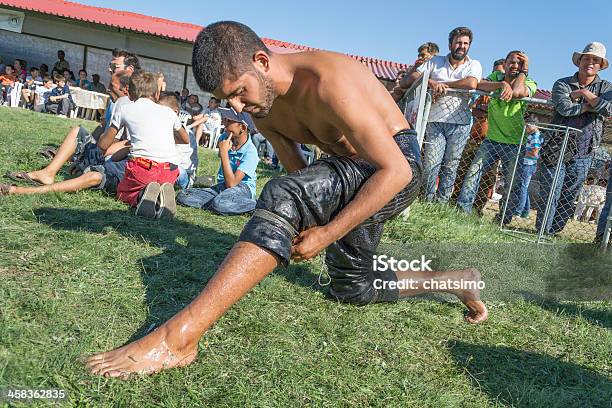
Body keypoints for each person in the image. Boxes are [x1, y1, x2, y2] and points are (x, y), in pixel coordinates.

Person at [86, 21, 487, 378]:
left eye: (240, 92)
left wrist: (327, 232)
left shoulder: (327, 81)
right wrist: (311, 221)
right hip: (350, 175)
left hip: (396, 168)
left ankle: (178, 338)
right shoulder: (263, 106)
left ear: (262, 60)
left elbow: (396, 172)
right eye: (229, 100)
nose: (239, 108)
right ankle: (458, 280)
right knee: (353, 289)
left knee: (280, 192)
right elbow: (301, 172)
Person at [1, 72, 133, 197]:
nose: (108, 89)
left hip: (111, 158)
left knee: (80, 136)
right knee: (77, 132)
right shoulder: (117, 103)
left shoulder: (125, 105)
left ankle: (47, 174)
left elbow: (113, 146)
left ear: (125, 88)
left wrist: (90, 155)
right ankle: (48, 173)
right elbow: (102, 129)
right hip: (106, 154)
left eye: (112, 86)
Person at [536, 42, 612, 235]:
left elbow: (609, 109)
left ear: (601, 64)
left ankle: (554, 231)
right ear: (579, 61)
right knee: (550, 191)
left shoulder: (606, 87)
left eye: (595, 60)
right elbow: (564, 108)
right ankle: (542, 231)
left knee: (570, 193)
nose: (590, 62)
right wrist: (592, 105)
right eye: (586, 58)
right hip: (556, 144)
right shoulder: (562, 83)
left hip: (585, 149)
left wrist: (583, 93)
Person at [401, 27, 483, 203]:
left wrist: (443, 84)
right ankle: (428, 200)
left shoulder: (474, 64)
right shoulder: (435, 61)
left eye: (465, 43)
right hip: (434, 120)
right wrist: (430, 81)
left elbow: (471, 83)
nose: (462, 46)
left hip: (460, 123)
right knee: (431, 164)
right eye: (458, 42)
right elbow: (412, 76)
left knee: (450, 165)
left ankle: (442, 202)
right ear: (450, 44)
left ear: (469, 46)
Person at [456, 51, 537, 226]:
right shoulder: (497, 76)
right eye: (512, 62)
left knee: (511, 184)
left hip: (515, 144)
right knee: (473, 174)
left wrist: (524, 72)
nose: (515, 66)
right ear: (505, 63)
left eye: (519, 64)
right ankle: (463, 211)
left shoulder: (530, 82)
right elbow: (479, 84)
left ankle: (503, 219)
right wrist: (501, 84)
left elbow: (516, 92)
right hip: (491, 139)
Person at [98, 71, 189, 218]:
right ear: (157, 94)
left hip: (143, 168)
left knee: (123, 192)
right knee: (158, 177)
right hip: (170, 170)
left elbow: (104, 145)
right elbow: (185, 140)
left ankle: (142, 196)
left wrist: (102, 137)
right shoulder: (168, 112)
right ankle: (160, 198)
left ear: (131, 93)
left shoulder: (125, 108)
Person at [177, 107, 259, 215]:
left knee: (220, 203)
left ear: (243, 127)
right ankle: (222, 203)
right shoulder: (225, 137)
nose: (224, 123)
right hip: (223, 186)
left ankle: (255, 205)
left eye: (229, 121)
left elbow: (232, 184)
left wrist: (224, 152)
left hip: (242, 188)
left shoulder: (251, 152)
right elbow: (227, 183)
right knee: (183, 195)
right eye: (225, 119)